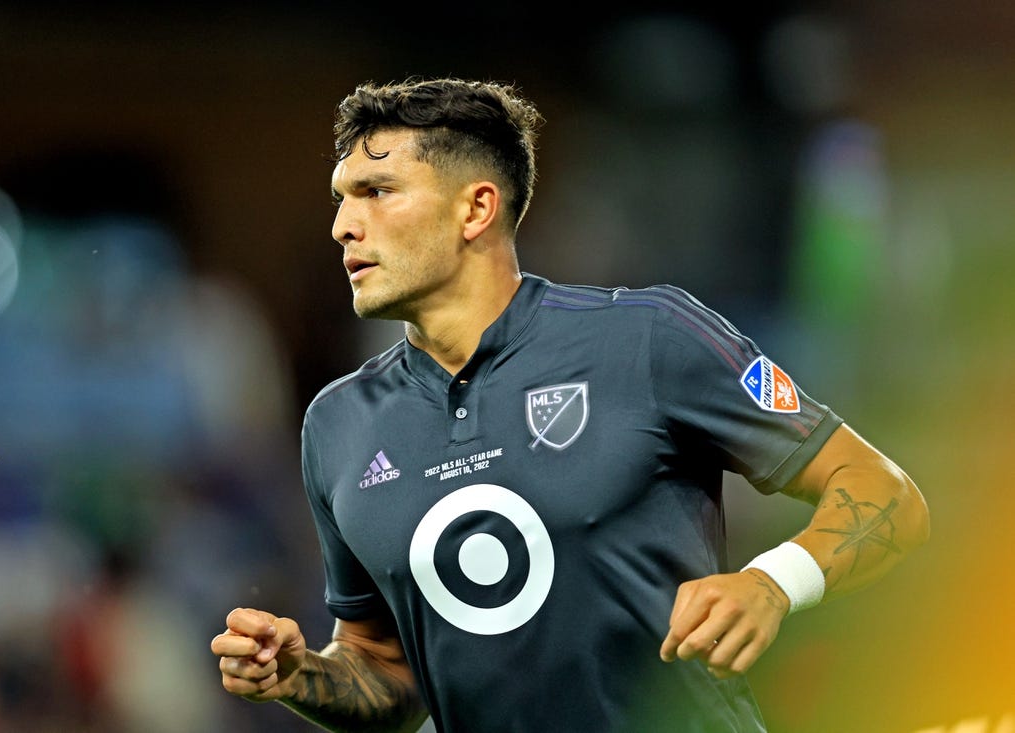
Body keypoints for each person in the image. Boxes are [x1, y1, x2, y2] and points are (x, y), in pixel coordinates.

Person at [210, 77, 930, 732]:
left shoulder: (648, 338)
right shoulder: (337, 425)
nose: (343, 224)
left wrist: (775, 581)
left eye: (377, 191)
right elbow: (387, 670)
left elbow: (884, 492)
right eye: (342, 195)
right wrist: (299, 675)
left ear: (477, 209)